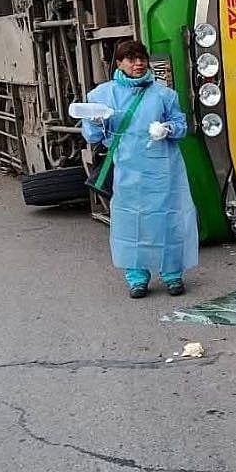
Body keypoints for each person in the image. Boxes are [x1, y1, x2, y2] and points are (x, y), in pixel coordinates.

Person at [82, 40, 198, 298]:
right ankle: (137, 278)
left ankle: (172, 276)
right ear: (119, 63)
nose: (138, 64)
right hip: (127, 171)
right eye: (131, 59)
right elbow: (91, 136)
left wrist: (167, 129)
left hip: (164, 170)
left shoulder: (164, 95)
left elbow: (181, 126)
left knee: (168, 219)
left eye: (141, 58)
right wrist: (97, 122)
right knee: (131, 223)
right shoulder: (102, 95)